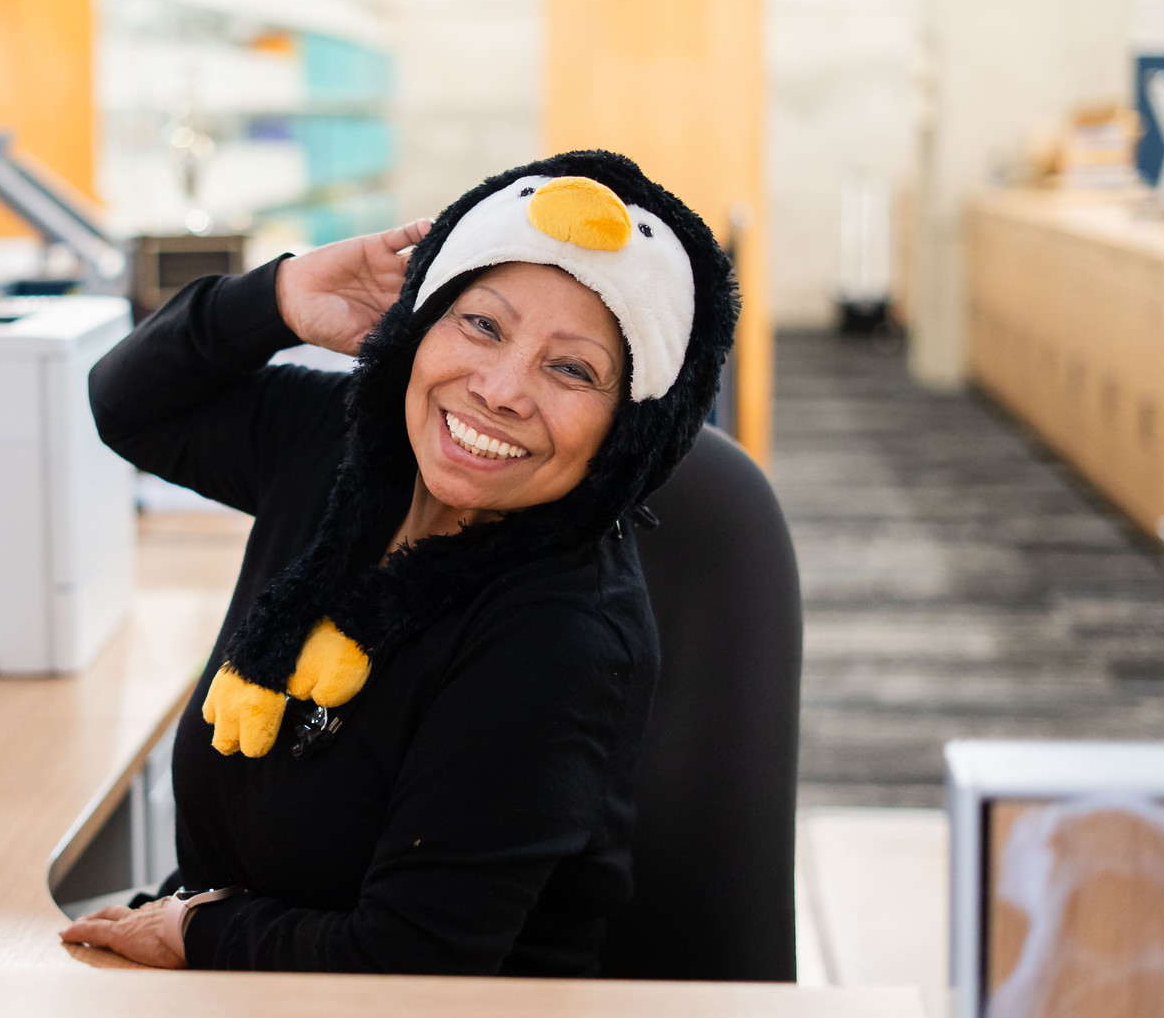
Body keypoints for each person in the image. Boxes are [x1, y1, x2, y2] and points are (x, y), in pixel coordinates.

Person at [62, 149, 738, 974]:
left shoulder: (564, 636)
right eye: (481, 324)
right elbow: (127, 403)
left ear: (629, 432)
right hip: (250, 999)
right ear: (420, 325)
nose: (499, 388)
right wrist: (279, 296)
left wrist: (197, 931)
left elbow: (412, 957)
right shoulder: (344, 450)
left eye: (571, 368)